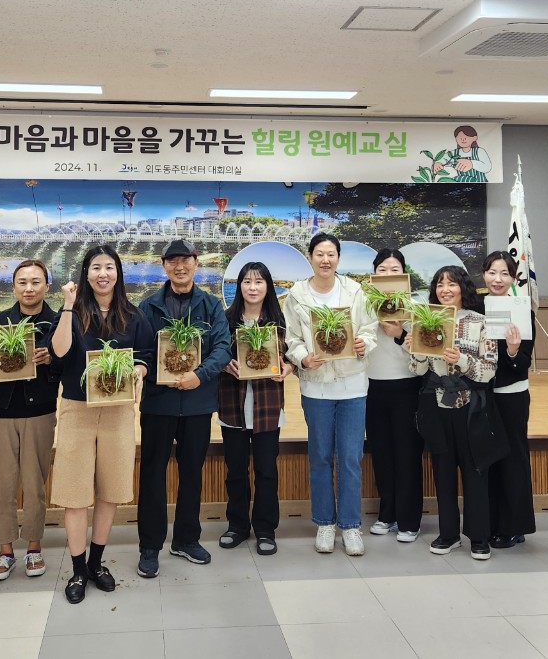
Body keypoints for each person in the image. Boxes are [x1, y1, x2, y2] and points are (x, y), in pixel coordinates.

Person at [50, 245, 154, 604]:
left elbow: (145, 358)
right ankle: (77, 569)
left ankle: (96, 563)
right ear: (86, 273)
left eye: (109, 267)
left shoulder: (132, 315)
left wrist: (139, 372)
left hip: (119, 411)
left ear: (118, 273)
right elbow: (59, 352)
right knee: (75, 493)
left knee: (110, 490)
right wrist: (66, 305)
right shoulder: (73, 312)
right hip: (77, 411)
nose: (103, 274)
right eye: (96, 267)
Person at [136, 239, 232, 578]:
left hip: (197, 403)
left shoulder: (211, 305)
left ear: (195, 263)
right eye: (173, 261)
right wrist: (146, 370)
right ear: (164, 265)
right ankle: (150, 546)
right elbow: (141, 352)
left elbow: (223, 347)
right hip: (158, 404)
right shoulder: (147, 307)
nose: (180, 266)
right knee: (152, 475)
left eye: (186, 260)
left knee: (192, 473)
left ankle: (186, 539)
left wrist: (200, 375)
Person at [284, 232, 377, 557]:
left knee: (350, 459)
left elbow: (369, 328)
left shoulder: (355, 292)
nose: (325, 259)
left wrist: (366, 343)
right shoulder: (296, 296)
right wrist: (301, 358)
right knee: (320, 457)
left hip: (352, 386)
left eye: (331, 254)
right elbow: (291, 339)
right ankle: (325, 522)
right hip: (316, 387)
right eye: (320, 254)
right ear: (310, 257)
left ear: (338, 258)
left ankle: (351, 526)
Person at [406, 265, 501, 560]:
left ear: (464, 288)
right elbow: (417, 370)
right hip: (435, 404)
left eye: (452, 284)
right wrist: (417, 351)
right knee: (442, 471)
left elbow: (489, 370)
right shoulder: (426, 320)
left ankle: (479, 537)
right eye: (440, 284)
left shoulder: (481, 322)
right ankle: (448, 533)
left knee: (475, 470)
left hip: (470, 405)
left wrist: (461, 359)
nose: (445, 289)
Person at [0, 259, 59, 582]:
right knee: (2, 485)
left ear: (47, 287)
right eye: (22, 282)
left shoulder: (58, 324)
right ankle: (5, 551)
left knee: (35, 485)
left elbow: (71, 368)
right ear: (13, 287)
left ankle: (34, 548)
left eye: (36, 282)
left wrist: (52, 358)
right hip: (0, 413)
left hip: (40, 412)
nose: (29, 288)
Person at [218, 261, 292, 556]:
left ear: (268, 286)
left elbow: (292, 354)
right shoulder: (226, 319)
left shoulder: (279, 322)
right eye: (247, 282)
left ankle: (265, 529)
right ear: (239, 287)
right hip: (232, 407)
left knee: (266, 471)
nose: (252, 287)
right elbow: (214, 352)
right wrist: (225, 362)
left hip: (268, 409)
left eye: (258, 282)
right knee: (235, 471)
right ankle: (237, 526)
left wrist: (288, 367)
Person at [365, 248, 424, 543]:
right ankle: (387, 514)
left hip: (407, 388)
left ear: (404, 274)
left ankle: (409, 520)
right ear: (375, 274)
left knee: (407, 454)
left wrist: (400, 333)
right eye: (383, 269)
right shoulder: (364, 306)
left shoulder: (415, 306)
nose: (389, 274)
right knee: (382, 454)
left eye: (394, 269)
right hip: (372, 388)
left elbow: (426, 351)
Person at [482, 250, 537, 549]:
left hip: (512, 395)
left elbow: (523, 362)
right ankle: (488, 522)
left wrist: (513, 350)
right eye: (492, 272)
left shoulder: (522, 309)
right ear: (484, 274)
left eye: (504, 273)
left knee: (513, 459)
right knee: (487, 459)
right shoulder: (477, 307)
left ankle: (514, 526)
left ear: (514, 277)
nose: (498, 279)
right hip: (482, 396)